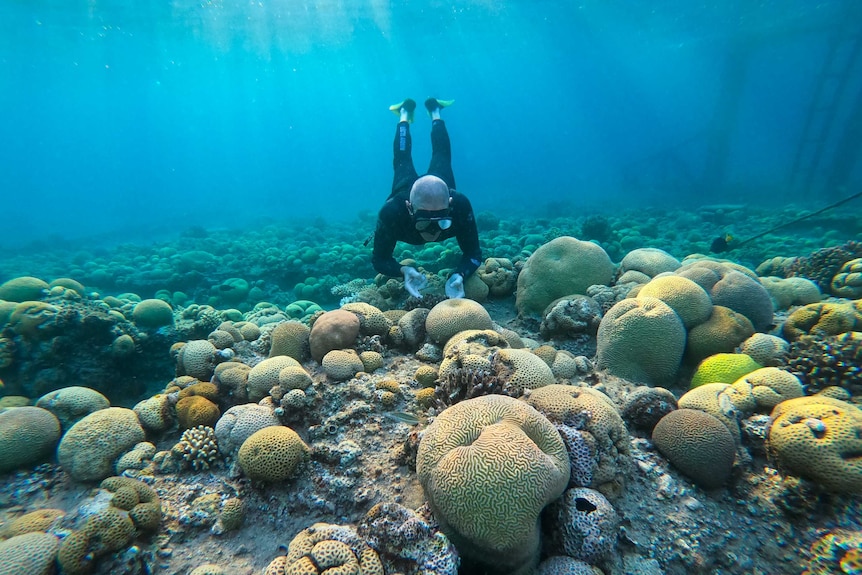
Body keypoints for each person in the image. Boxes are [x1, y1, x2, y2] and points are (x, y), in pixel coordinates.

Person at [371, 97, 482, 299]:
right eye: (423, 223)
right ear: (409, 208)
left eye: (441, 222)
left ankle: (435, 111)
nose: (432, 232)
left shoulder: (460, 205)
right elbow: (379, 259)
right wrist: (403, 271)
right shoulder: (392, 212)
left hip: (440, 184)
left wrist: (459, 275)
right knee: (402, 158)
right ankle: (404, 113)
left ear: (450, 204)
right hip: (404, 187)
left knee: (442, 155)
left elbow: (474, 254)